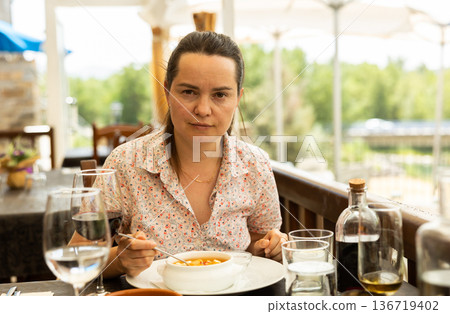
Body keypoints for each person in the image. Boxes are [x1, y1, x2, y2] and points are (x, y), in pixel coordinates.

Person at [103, 31, 286, 279]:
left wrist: (270, 247)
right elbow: (78, 257)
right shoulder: (125, 162)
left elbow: (258, 241)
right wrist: (120, 260)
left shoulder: (256, 164)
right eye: (189, 92)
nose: (202, 109)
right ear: (167, 92)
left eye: (220, 95)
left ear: (237, 99)